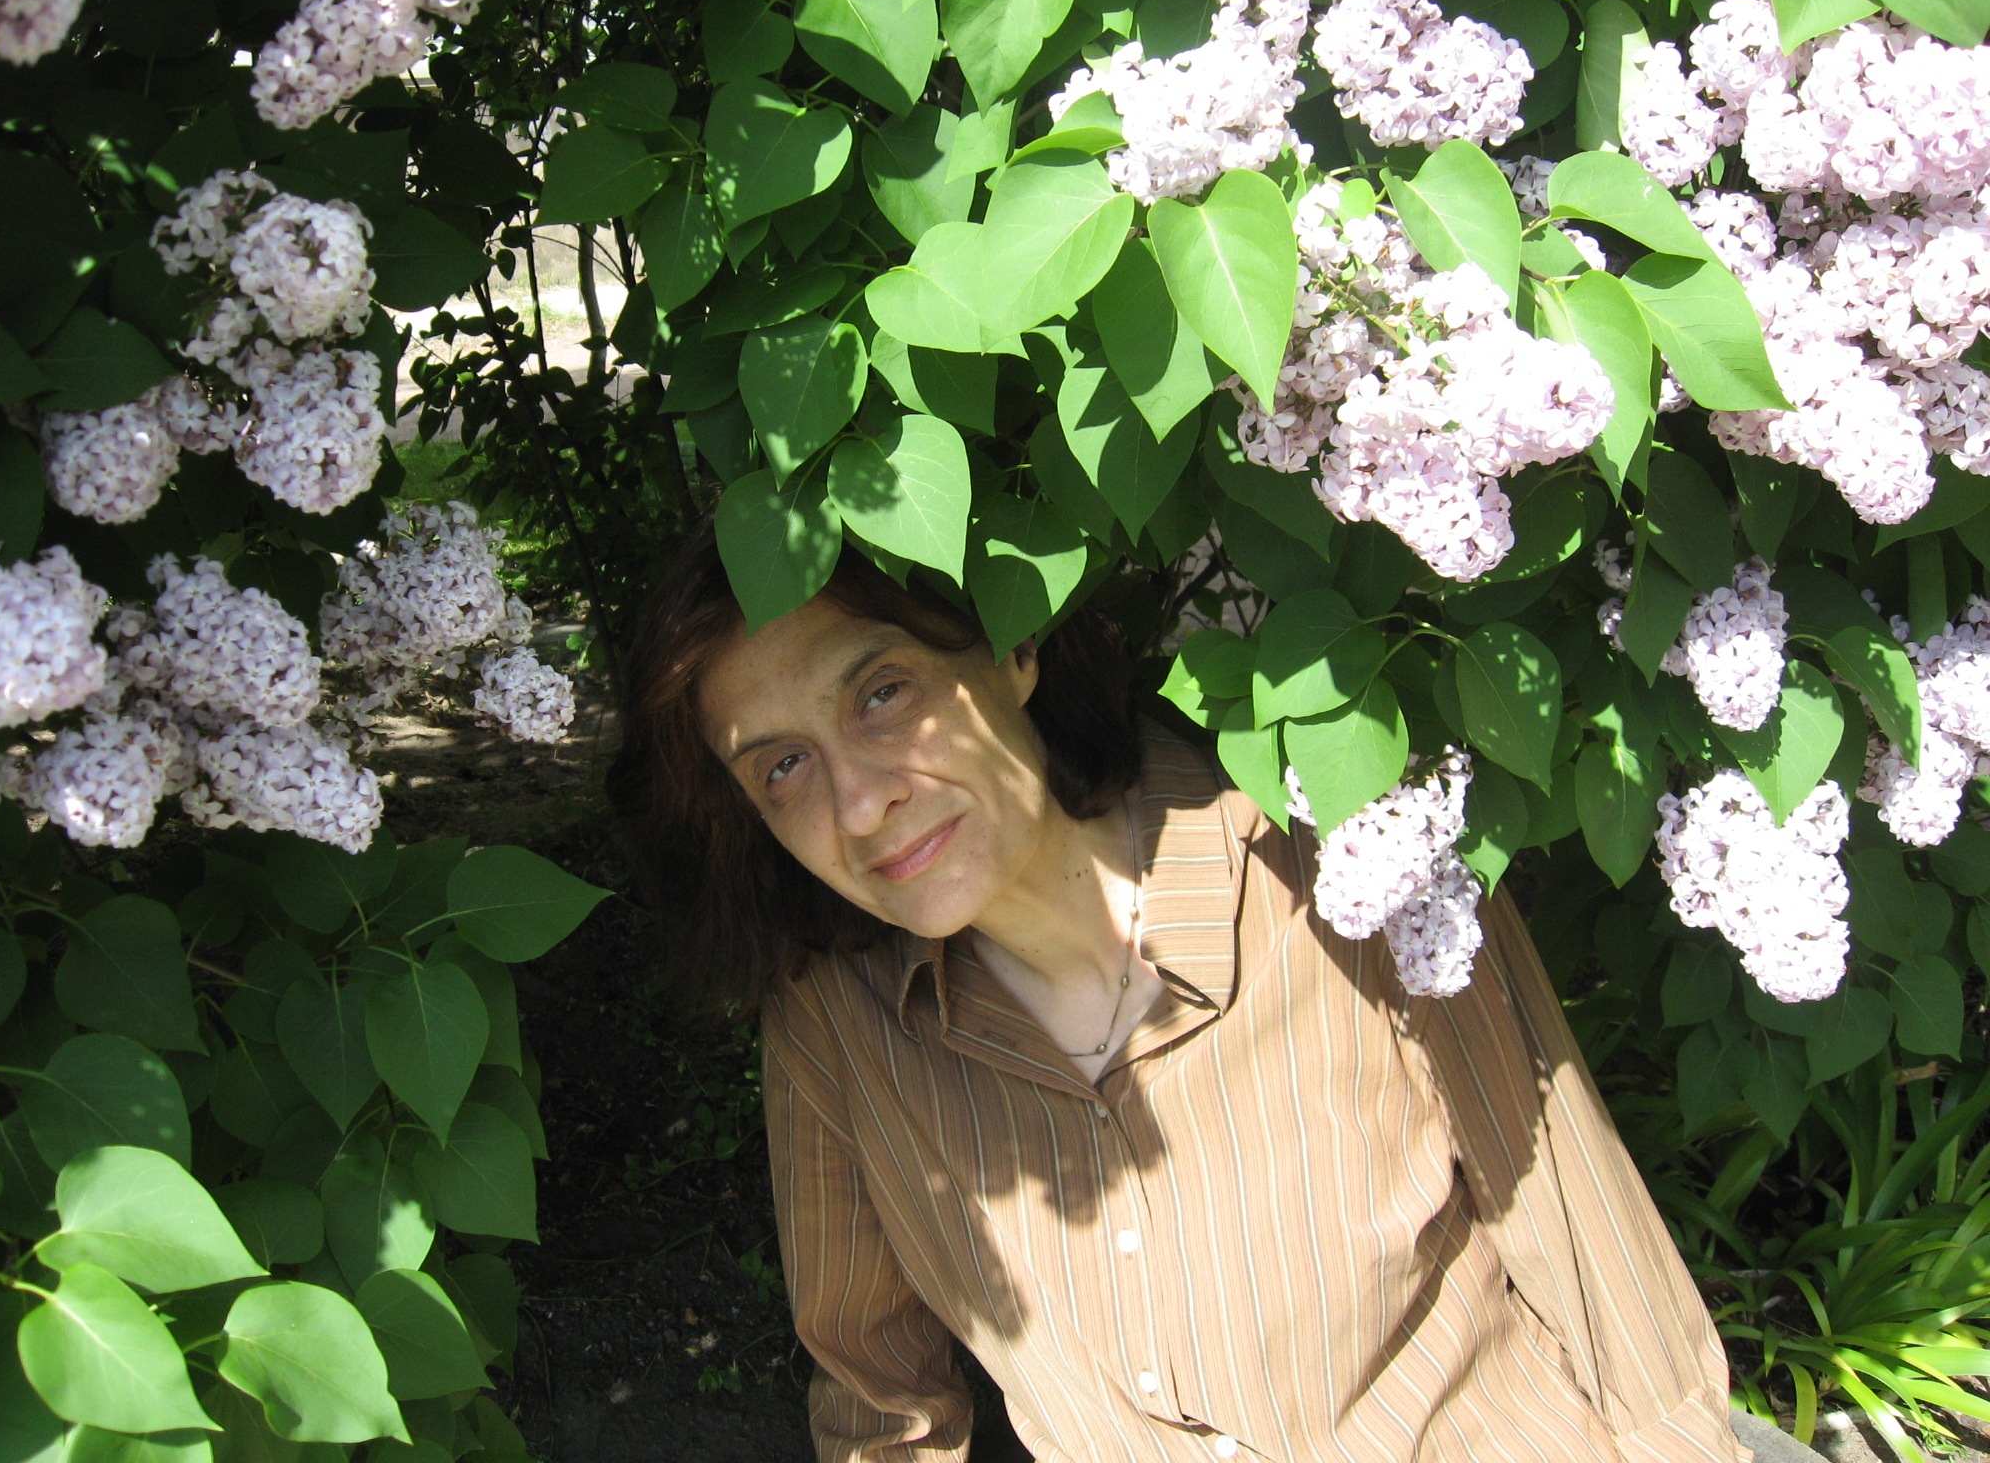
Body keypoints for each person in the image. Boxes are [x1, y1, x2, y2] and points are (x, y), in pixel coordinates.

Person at [617, 522, 1756, 1463]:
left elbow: (1575, 1225)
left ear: (1011, 649)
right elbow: (879, 1395)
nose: (860, 803)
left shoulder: (1334, 860)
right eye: (782, 765)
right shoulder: (836, 1024)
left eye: (880, 693)